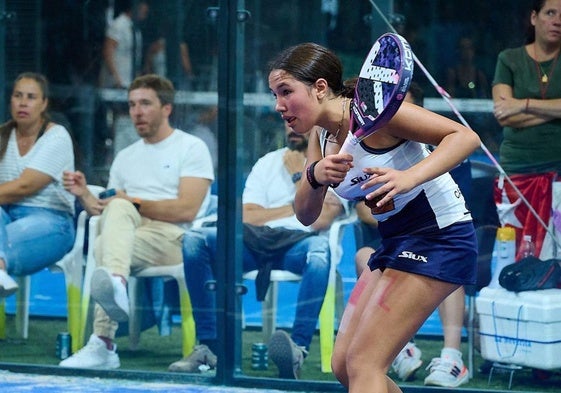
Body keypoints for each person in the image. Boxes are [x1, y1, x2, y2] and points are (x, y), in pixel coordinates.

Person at [267, 42, 480, 393]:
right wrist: (315, 175)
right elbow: (306, 215)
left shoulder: (378, 113)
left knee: (365, 363)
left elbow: (464, 137)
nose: (279, 105)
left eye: (286, 91)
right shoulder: (320, 134)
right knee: (345, 366)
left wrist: (408, 178)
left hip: (440, 237)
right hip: (398, 240)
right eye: (276, 94)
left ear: (320, 88)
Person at [58, 74, 214, 370]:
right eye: (131, 105)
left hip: (178, 240)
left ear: (166, 108)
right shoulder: (125, 156)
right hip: (129, 238)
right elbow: (107, 212)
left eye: (145, 103)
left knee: (112, 229)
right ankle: (116, 284)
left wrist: (132, 202)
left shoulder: (191, 148)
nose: (137, 112)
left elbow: (187, 210)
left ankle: (103, 342)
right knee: (110, 229)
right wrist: (84, 196)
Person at [171, 123, 345, 378]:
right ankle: (209, 345)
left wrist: (301, 177)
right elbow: (248, 216)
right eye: (288, 122)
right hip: (256, 241)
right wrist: (293, 206)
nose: (292, 128)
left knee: (319, 253)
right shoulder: (267, 163)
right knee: (195, 240)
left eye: (299, 121)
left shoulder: (331, 164)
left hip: (298, 244)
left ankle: (298, 349)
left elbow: (320, 219)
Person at [353, 83, 471, 387]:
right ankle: (400, 349)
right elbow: (364, 212)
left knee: (445, 271)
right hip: (392, 243)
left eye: (407, 109)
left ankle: (451, 355)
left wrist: (406, 181)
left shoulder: (439, 152)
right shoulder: (367, 149)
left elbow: (458, 213)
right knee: (363, 257)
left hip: (437, 243)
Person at [492, 0, 561, 258]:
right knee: (518, 255)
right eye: (550, 13)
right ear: (534, 18)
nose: (557, 20)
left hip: (560, 169)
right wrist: (554, 112)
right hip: (517, 172)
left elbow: (512, 110)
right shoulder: (508, 59)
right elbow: (503, 116)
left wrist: (523, 105)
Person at [0, 72, 75, 297]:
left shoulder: (56, 136)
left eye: (31, 97)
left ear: (44, 104)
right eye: (18, 95)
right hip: (7, 216)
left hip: (52, 221)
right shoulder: (3, 135)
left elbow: (25, 187)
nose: (23, 102)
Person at [99, 0, 149, 89]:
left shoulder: (135, 29)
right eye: (143, 10)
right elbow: (107, 51)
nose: (145, 13)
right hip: (116, 84)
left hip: (129, 83)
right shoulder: (118, 25)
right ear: (136, 7)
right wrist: (116, 79)